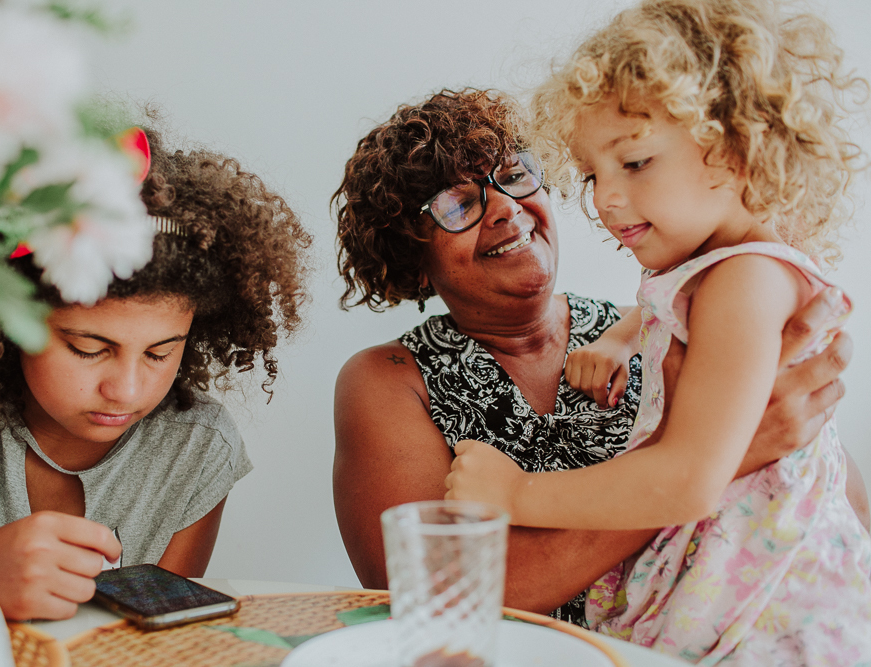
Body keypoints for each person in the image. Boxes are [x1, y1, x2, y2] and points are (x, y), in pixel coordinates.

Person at [332, 87, 866, 629]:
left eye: (513, 175)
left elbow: (820, 485)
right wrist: (728, 459)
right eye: (459, 205)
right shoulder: (390, 381)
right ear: (411, 259)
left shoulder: (661, 326)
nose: (506, 207)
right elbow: (432, 594)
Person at [445, 0, 871, 662]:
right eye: (591, 174)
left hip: (770, 613)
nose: (604, 198)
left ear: (734, 149)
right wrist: (620, 335)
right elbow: (669, 312)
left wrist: (515, 492)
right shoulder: (718, 270)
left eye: (634, 162)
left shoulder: (745, 280)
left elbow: (690, 476)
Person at [0, 127, 310, 621]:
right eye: (88, 349)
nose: (126, 391)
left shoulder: (193, 449)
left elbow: (152, 644)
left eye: (160, 353)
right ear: (7, 317)